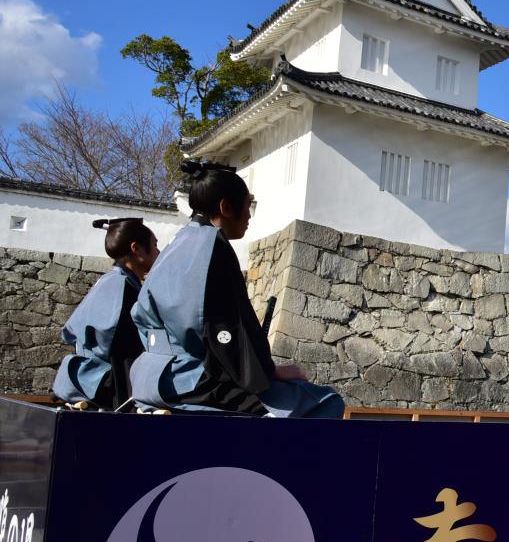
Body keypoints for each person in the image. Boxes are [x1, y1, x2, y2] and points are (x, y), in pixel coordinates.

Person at [130, 160, 344, 418]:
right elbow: (225, 332)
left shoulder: (176, 243)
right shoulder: (214, 248)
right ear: (226, 207)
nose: (250, 215)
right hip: (190, 380)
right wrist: (269, 371)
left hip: (150, 376)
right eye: (247, 205)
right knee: (324, 401)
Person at [53, 218, 160, 409]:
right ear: (136, 248)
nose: (159, 252)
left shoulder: (109, 281)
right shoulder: (122, 287)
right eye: (154, 245)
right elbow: (123, 351)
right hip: (107, 385)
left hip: (90, 379)